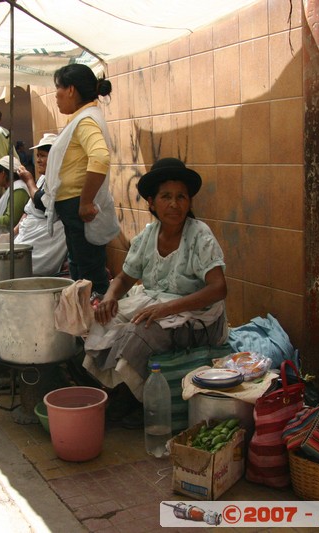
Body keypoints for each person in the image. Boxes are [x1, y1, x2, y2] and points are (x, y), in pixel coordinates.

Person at [84, 158, 229, 428]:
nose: (174, 204)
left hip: (198, 319)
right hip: (158, 307)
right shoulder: (149, 235)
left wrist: (166, 309)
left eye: (181, 197)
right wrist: (109, 297)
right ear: (152, 202)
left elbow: (219, 288)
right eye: (166, 197)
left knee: (136, 334)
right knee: (100, 322)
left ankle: (134, 402)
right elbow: (124, 277)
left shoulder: (200, 236)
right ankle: (117, 392)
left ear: (189, 202)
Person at [43, 64, 120, 296]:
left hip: (79, 207)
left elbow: (100, 157)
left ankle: (98, 327)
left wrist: (86, 201)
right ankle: (84, 325)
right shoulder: (81, 118)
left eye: (58, 88)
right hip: (72, 208)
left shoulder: (86, 120)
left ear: (71, 90)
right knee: (79, 271)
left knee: (89, 277)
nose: (55, 95)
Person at [13, 133, 67, 276]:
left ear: (55, 157)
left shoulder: (60, 179)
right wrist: (13, 232)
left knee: (21, 269)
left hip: (44, 240)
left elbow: (45, 205)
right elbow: (28, 210)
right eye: (37, 156)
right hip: (29, 233)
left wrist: (29, 180)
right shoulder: (43, 178)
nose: (38, 160)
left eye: (42, 156)